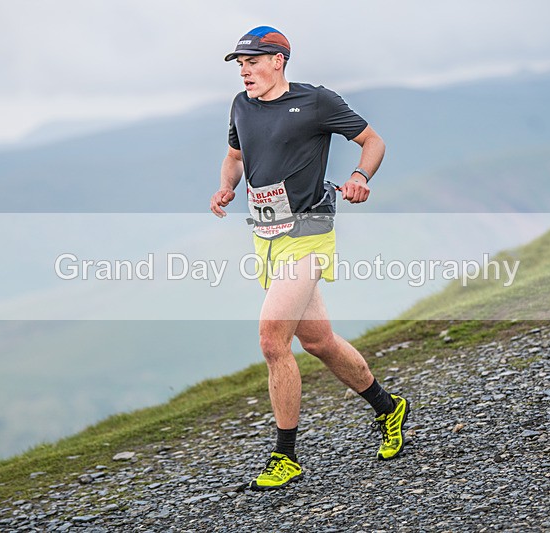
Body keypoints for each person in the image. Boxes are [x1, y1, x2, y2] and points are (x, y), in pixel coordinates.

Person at [210, 26, 409, 490]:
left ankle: (286, 457)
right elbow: (235, 156)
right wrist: (227, 186)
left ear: (277, 61)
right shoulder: (241, 106)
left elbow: (373, 141)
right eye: (239, 64)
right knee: (318, 341)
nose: (244, 71)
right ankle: (388, 406)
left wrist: (360, 176)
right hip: (267, 236)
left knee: (271, 341)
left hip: (309, 232)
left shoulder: (315, 102)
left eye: (252, 61)